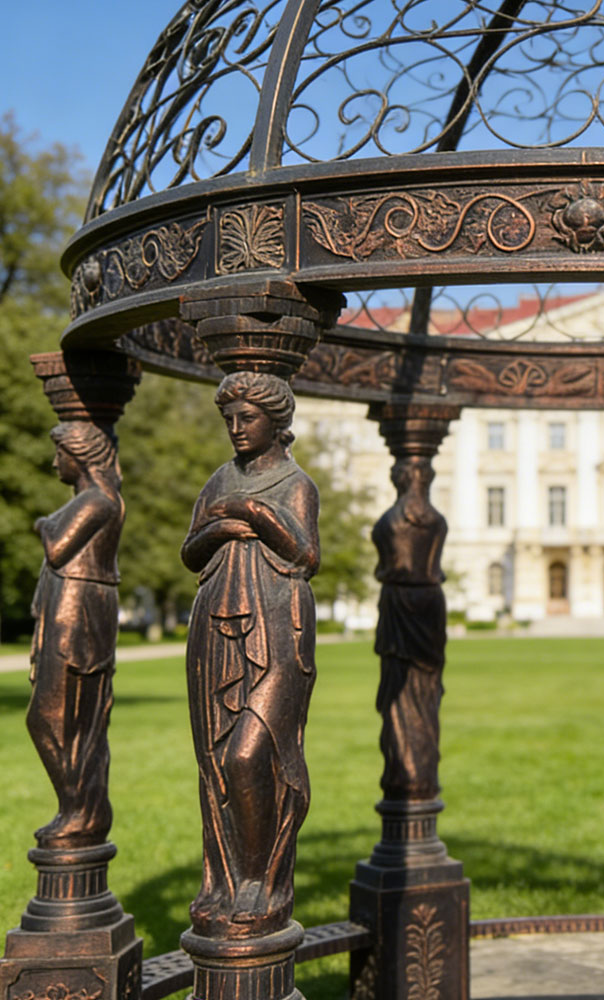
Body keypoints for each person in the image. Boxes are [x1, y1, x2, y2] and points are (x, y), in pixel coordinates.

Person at [181, 371, 319, 938]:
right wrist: (223, 526)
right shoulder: (219, 479)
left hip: (278, 623)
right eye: (229, 419)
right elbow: (191, 551)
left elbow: (306, 554)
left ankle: (262, 880)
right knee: (217, 760)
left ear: (276, 422)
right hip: (216, 620)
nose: (236, 428)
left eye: (248, 418)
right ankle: (224, 881)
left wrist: (252, 514)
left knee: (249, 755)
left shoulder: (296, 483)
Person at [28, 422, 124, 849]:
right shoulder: (91, 499)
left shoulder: (98, 501)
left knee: (56, 717)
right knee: (60, 717)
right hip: (68, 601)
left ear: (79, 457)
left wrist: (43, 523)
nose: (55, 463)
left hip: (79, 610)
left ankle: (83, 810)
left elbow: (57, 547)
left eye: (60, 454)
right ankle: (79, 809)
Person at [373, 456, 448, 802]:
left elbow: (384, 568)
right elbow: (433, 568)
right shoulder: (437, 521)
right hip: (430, 605)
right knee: (428, 692)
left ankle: (404, 772)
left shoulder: (388, 522)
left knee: (397, 693)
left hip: (398, 606)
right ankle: (422, 772)